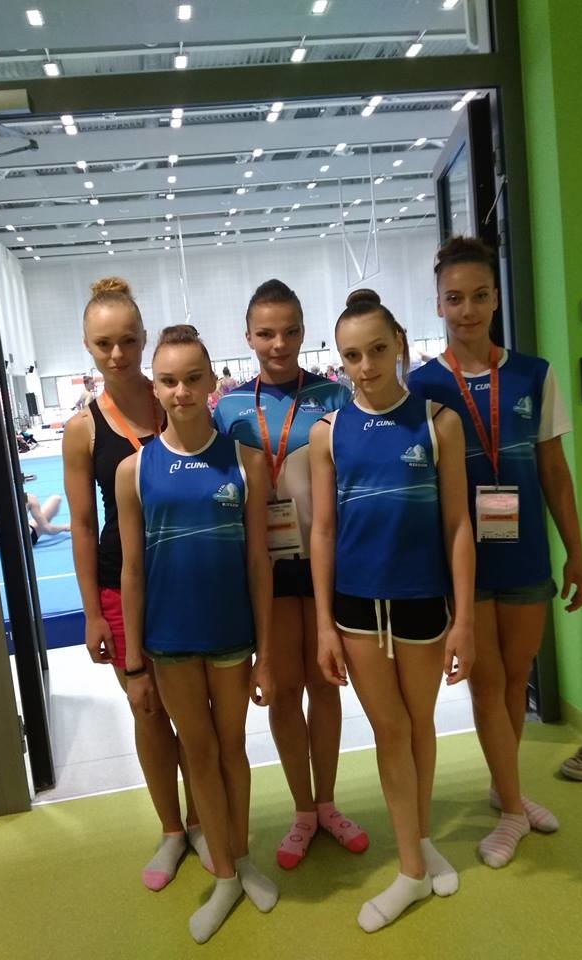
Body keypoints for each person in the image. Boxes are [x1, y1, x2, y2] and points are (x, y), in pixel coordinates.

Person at [409, 235, 582, 868]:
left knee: (516, 679)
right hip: (462, 561)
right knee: (486, 683)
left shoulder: (533, 375)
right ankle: (513, 808)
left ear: (495, 299)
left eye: (479, 296)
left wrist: (576, 553)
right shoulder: (421, 386)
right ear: (438, 304)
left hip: (525, 553)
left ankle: (502, 786)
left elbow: (554, 473)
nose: (468, 310)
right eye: (454, 298)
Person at [309, 288, 475, 932]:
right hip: (355, 609)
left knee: (419, 724)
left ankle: (419, 840)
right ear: (341, 359)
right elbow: (323, 531)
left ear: (400, 344)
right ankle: (410, 868)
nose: (367, 366)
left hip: (422, 604)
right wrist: (323, 624)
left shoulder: (438, 423)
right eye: (352, 356)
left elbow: (458, 525)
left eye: (378, 350)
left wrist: (464, 619)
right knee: (390, 730)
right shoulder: (329, 433)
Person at [116, 324, 278, 944]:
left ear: (212, 381)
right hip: (170, 642)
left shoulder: (246, 462)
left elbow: (259, 563)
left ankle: (240, 856)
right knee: (199, 752)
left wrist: (266, 653)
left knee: (232, 750)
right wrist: (135, 662)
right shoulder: (134, 471)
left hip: (232, 638)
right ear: (154, 388)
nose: (181, 391)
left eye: (191, 379)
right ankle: (225, 876)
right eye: (168, 381)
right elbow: (132, 572)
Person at [214, 279, 369, 869]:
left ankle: (327, 802)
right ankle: (302, 811)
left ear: (305, 331)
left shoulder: (334, 396)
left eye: (290, 331)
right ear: (248, 337)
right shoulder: (230, 409)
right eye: (266, 333)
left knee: (325, 684)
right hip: (266, 570)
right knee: (282, 690)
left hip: (326, 562)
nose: (278, 344)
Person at [62, 277, 208, 892]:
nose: (117, 354)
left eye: (127, 340)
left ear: (144, 339)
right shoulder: (83, 429)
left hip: (185, 577)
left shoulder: (177, 397)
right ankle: (172, 829)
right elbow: (80, 524)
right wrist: (92, 613)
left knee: (196, 714)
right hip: (121, 587)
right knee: (148, 711)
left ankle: (204, 822)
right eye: (104, 344)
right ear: (88, 347)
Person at [0, 492, 70, 548]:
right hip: (25, 541)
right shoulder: (29, 498)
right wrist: (64, 527)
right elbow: (48, 529)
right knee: (56, 498)